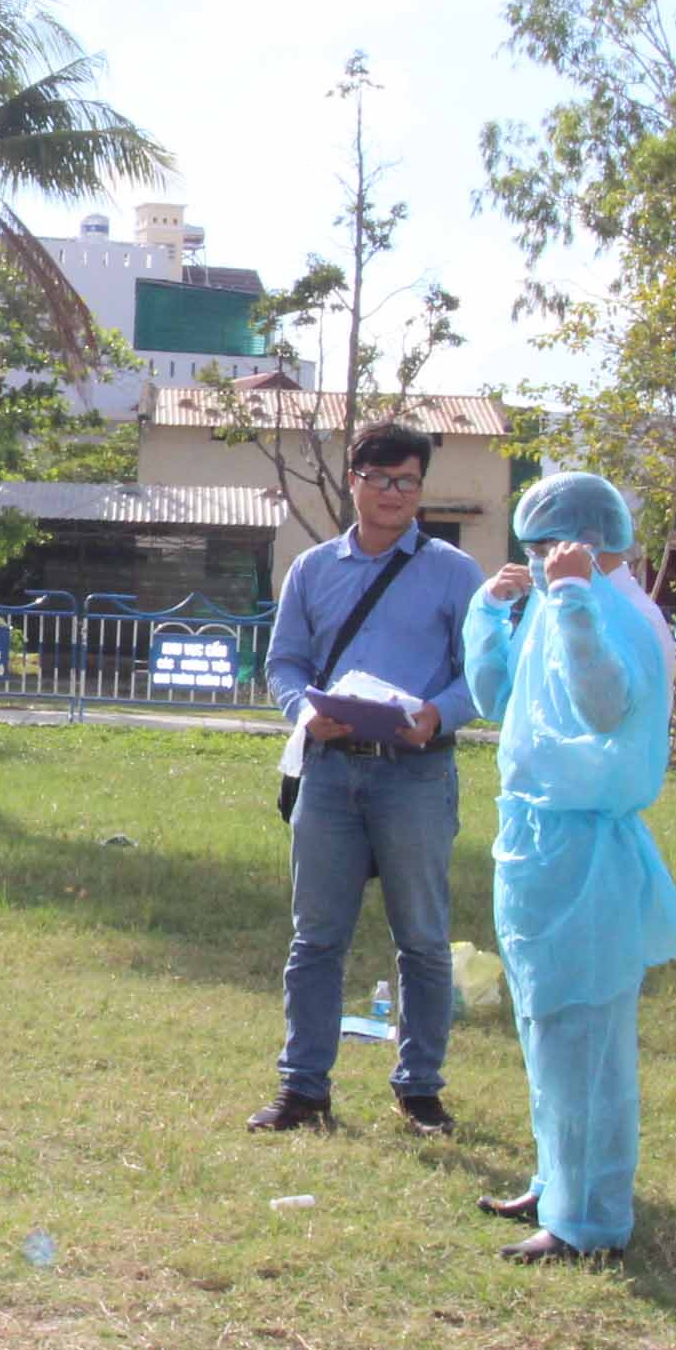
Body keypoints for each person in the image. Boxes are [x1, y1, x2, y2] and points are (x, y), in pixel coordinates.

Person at [464, 472, 676, 1262]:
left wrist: (568, 599)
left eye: (548, 546)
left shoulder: (621, 614)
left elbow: (605, 704)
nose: (537, 561)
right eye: (531, 549)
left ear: (592, 542)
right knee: (543, 1026)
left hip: (586, 848)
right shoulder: (557, 600)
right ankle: (554, 1180)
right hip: (536, 839)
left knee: (586, 1037)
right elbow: (504, 700)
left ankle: (588, 1218)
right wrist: (489, 615)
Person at [248, 422, 485, 1136]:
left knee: (421, 937)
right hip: (328, 775)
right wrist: (302, 713)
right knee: (315, 937)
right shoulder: (313, 569)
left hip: (414, 773)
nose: (392, 494)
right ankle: (303, 1089)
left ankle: (418, 1090)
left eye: (406, 481)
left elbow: (482, 672)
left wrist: (437, 716)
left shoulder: (452, 571)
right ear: (353, 479)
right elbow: (283, 663)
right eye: (379, 479)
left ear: (420, 488)